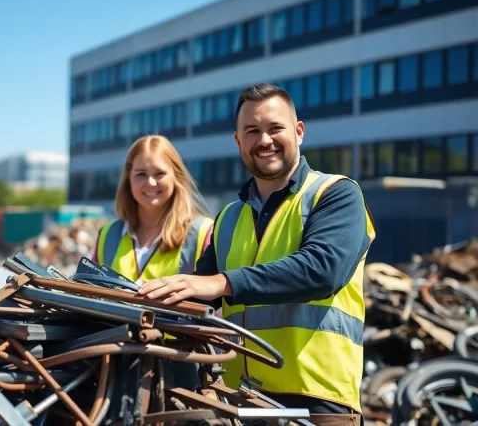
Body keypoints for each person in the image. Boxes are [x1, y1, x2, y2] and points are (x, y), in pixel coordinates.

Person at [138, 84, 375, 425]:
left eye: (275, 128)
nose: (264, 140)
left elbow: (322, 271)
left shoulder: (335, 194)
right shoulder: (229, 217)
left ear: (299, 131)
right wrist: (137, 300)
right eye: (252, 131)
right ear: (238, 141)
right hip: (242, 400)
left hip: (317, 401)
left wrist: (222, 282)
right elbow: (198, 295)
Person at [91, 134, 215, 389]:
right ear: (128, 178)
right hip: (115, 367)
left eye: (159, 173)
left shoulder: (204, 233)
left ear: (176, 176)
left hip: (182, 370)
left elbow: (218, 310)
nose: (150, 182)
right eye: (140, 174)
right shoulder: (108, 235)